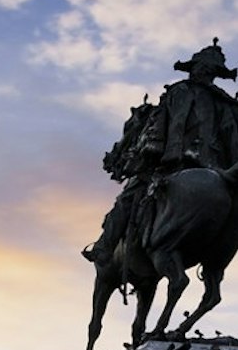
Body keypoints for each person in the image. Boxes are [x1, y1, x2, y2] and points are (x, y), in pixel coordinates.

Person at [84, 40, 238, 265]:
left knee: (126, 198)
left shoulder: (180, 91)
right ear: (215, 74)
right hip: (217, 167)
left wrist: (154, 157)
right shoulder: (225, 103)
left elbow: (169, 126)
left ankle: (104, 249)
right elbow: (231, 135)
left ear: (195, 69)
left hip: (179, 159)